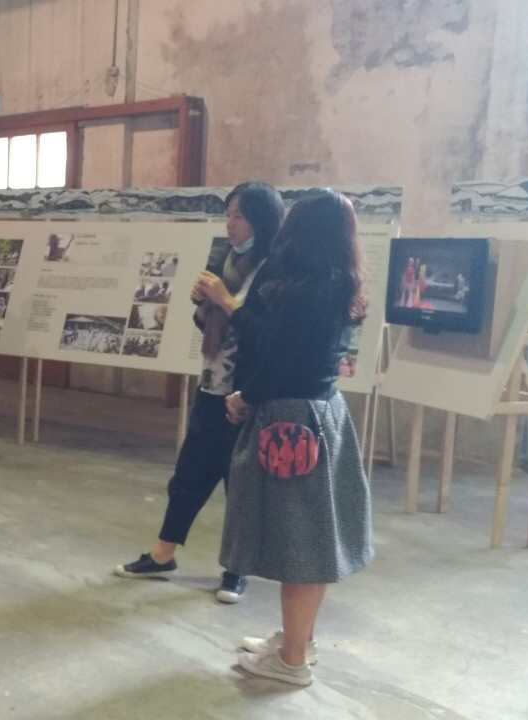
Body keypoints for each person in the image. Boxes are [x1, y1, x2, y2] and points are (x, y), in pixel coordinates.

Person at [203, 189, 373, 687]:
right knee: (312, 537)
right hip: (323, 412)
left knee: (299, 544)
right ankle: (299, 640)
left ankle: (291, 661)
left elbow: (278, 363)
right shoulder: (339, 283)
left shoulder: (303, 293)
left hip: (290, 421)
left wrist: (244, 396)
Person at [115, 182, 284, 606]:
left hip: (246, 394)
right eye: (227, 215)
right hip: (212, 384)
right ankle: (162, 554)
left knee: (240, 484)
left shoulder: (275, 268)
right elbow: (209, 325)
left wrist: (224, 301)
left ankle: (236, 569)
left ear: (261, 220)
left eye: (239, 216)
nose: (230, 224)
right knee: (188, 474)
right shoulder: (227, 260)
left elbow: (264, 336)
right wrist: (201, 304)